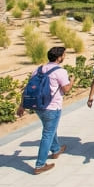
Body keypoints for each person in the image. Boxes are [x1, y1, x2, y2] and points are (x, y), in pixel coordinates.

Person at [17, 46, 72, 174]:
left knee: (50, 128)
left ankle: (56, 149)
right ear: (59, 57)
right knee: (48, 133)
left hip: (38, 106)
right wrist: (72, 81)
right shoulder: (60, 71)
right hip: (52, 107)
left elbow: (28, 88)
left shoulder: (38, 69)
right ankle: (40, 165)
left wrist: (22, 105)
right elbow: (66, 89)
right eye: (64, 55)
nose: (65, 56)